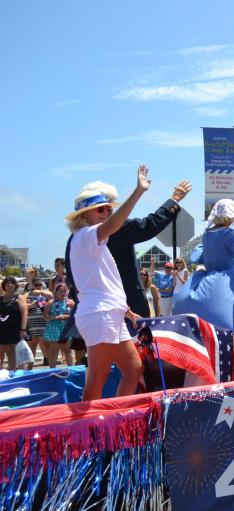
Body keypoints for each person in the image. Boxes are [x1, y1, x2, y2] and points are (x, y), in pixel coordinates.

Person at [66, 165, 150, 400]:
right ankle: (89, 432)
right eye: (101, 210)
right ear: (84, 216)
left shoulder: (91, 240)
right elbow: (112, 226)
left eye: (108, 209)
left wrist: (127, 311)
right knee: (97, 379)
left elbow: (103, 284)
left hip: (108, 312)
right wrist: (138, 192)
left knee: (134, 371)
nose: (106, 213)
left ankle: (114, 421)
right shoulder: (85, 235)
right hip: (99, 315)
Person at [172, 199, 234, 331]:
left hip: (206, 281)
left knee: (208, 325)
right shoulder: (229, 233)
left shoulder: (206, 235)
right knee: (233, 324)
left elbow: (200, 256)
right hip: (227, 283)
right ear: (230, 217)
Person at [43, 283, 75, 367]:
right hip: (55, 328)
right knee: (55, 350)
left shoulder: (70, 302)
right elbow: (45, 316)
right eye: (61, 291)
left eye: (65, 291)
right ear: (55, 292)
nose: (63, 293)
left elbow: (76, 314)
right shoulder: (50, 303)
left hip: (67, 327)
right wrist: (55, 317)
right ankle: (52, 369)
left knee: (68, 350)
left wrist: (68, 316)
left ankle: (71, 369)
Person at [0, 277, 27, 370]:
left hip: (17, 329)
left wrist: (23, 329)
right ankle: (12, 373)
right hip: (3, 330)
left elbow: (24, 313)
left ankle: (22, 374)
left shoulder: (19, 297)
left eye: (12, 283)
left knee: (20, 353)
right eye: (8, 283)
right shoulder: (1, 299)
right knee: (9, 353)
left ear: (15, 285)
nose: (10, 285)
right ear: (4, 286)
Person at [24, 278, 52, 366]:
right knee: (32, 347)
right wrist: (31, 305)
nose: (38, 287)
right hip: (32, 324)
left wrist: (41, 293)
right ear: (32, 285)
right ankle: (29, 369)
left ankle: (51, 367)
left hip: (45, 323)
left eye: (40, 285)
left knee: (48, 346)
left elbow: (52, 296)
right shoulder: (27, 294)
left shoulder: (46, 293)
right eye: (36, 285)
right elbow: (21, 304)